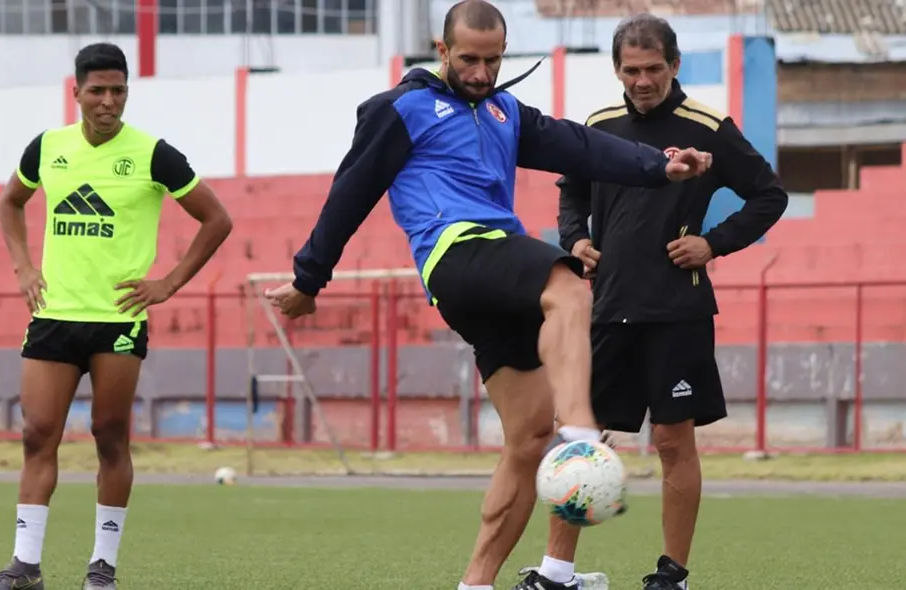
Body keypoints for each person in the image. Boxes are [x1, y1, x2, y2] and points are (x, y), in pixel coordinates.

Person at [263, 2, 712, 589]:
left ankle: (474, 583)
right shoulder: (400, 109)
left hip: (490, 281)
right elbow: (349, 193)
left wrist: (661, 166)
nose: (480, 72)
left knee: (526, 439)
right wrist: (308, 278)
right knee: (568, 287)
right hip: (456, 251)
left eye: (493, 60)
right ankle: (581, 441)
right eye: (469, 59)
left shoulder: (504, 111)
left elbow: (580, 147)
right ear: (441, 50)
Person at [524, 14, 789, 590]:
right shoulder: (597, 126)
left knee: (673, 442)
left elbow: (769, 195)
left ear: (674, 65)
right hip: (605, 309)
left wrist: (713, 242)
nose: (641, 81)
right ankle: (557, 573)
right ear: (617, 69)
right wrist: (576, 239)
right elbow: (571, 191)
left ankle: (671, 576)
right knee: (579, 441)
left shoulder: (709, 126)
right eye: (630, 70)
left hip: (677, 311)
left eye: (652, 69)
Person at [0, 42, 233, 590]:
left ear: (126, 94)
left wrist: (169, 282)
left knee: (108, 435)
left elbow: (216, 219)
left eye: (118, 91)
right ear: (77, 93)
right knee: (37, 434)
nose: (108, 101)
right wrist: (23, 266)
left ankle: (102, 569)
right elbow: (10, 202)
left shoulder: (154, 154)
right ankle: (25, 567)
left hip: (117, 321)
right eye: (97, 91)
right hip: (54, 316)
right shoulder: (47, 148)